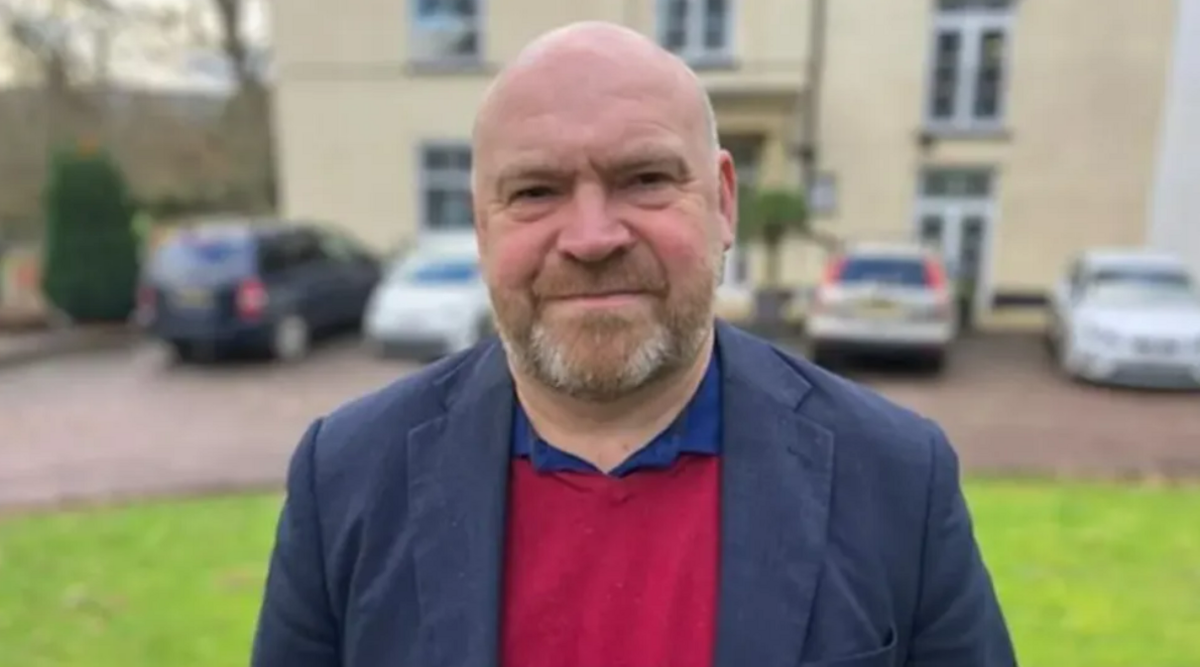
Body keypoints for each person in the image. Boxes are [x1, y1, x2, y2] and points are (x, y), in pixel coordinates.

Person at [250, 21, 1017, 667]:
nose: (591, 238)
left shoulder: (896, 478)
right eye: (536, 192)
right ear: (483, 227)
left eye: (645, 178)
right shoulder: (345, 478)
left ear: (721, 202)